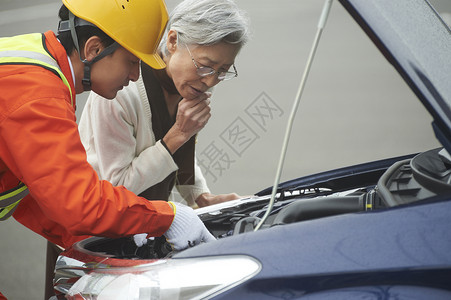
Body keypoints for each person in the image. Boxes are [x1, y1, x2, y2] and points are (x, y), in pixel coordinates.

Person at [0, 0, 214, 272]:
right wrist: (166, 217)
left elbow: (34, 195)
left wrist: (111, 238)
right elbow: (79, 203)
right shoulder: (39, 96)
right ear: (94, 49)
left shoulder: (37, 65)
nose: (136, 74)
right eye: (132, 61)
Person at [78, 0, 250, 209]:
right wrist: (177, 134)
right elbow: (117, 188)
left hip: (149, 220)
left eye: (223, 71)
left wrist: (199, 196)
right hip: (92, 228)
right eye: (206, 66)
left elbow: (181, 150)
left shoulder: (194, 82)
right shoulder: (120, 89)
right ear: (172, 40)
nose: (211, 81)